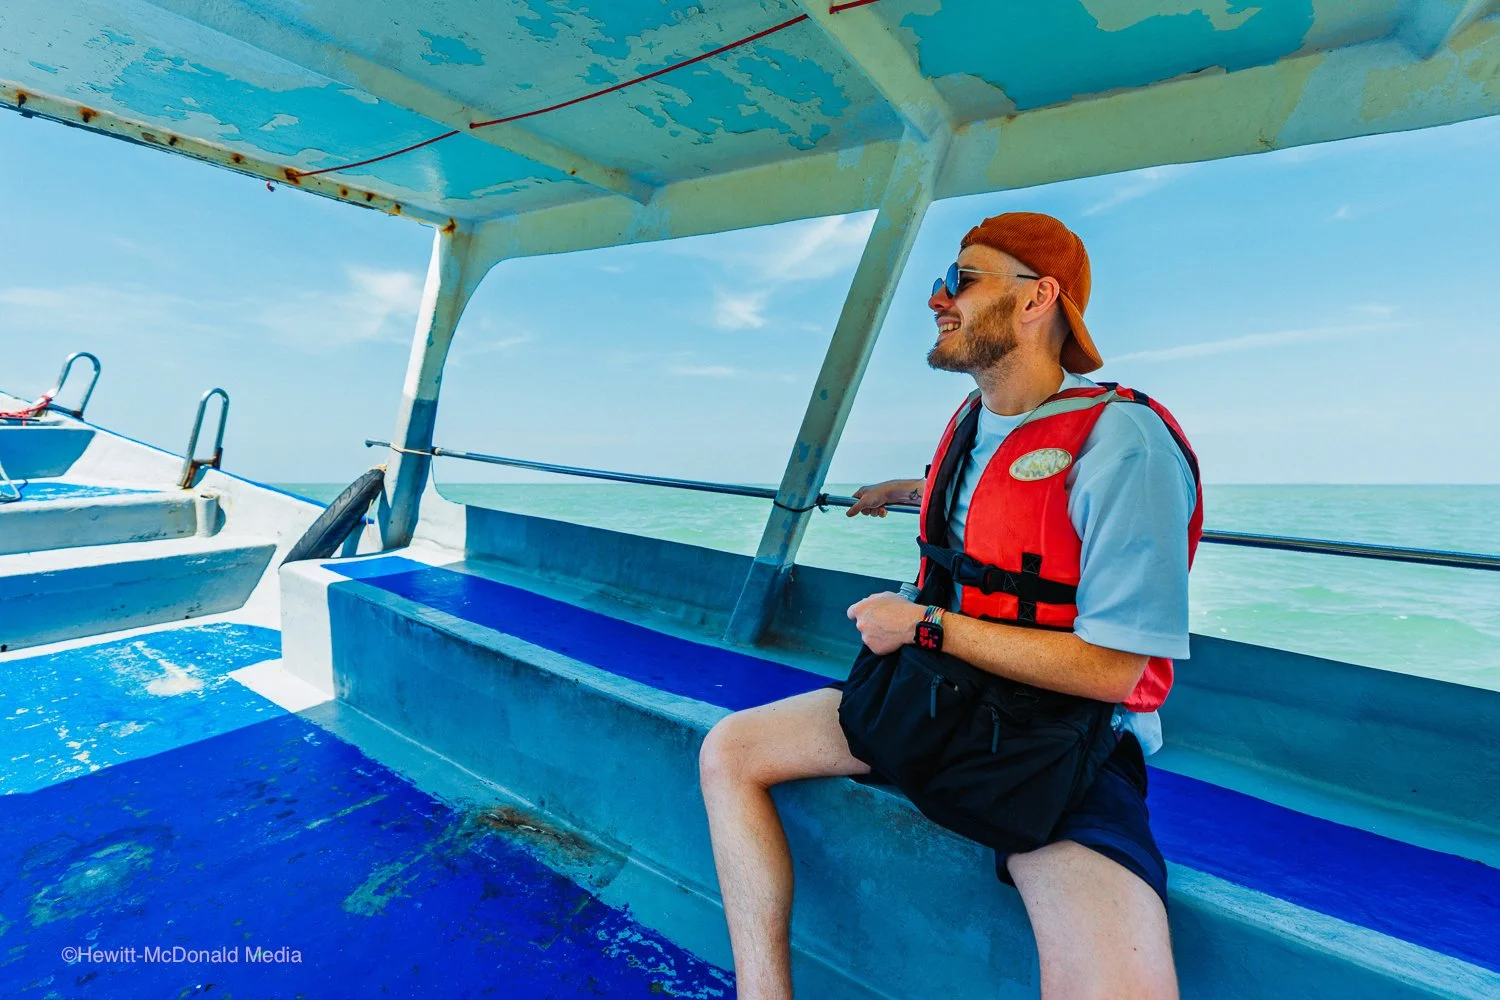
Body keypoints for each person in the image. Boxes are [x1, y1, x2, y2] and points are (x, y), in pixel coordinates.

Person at [698, 212, 1202, 999]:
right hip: (942, 697)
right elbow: (977, 508)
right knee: (730, 751)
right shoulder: (971, 425)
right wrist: (900, 490)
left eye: (961, 280)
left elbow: (1113, 670)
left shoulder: (1125, 448)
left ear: (1038, 300)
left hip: (1059, 736)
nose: (938, 297)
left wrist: (926, 625)